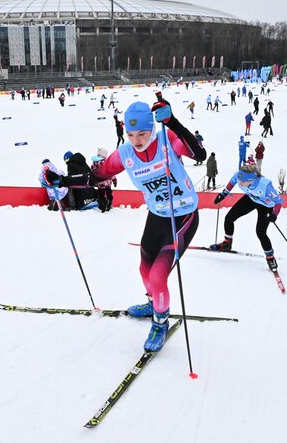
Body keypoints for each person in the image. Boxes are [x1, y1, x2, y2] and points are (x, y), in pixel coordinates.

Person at [45, 97, 205, 352]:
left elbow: (199, 153)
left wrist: (172, 122)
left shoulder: (167, 139)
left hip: (182, 214)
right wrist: (61, 180)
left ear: (152, 129)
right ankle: (154, 304)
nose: (137, 140)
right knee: (144, 269)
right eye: (131, 134)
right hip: (157, 215)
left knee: (158, 274)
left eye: (142, 133)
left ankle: (160, 322)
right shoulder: (126, 154)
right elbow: (94, 177)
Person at [209, 164, 283, 273]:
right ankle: (227, 243)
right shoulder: (240, 176)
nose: (240, 183)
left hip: (265, 206)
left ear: (252, 180)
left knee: (260, 232)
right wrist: (223, 194)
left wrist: (274, 214)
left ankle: (270, 257)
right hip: (250, 199)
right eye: (240, 180)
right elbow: (232, 182)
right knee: (229, 218)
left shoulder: (265, 186)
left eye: (243, 182)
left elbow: (278, 201)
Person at [91, 148, 116, 212]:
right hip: (107, 182)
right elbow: (111, 172)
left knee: (101, 194)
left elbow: (92, 172)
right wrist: (114, 180)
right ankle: (109, 203)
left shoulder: (94, 163)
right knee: (109, 193)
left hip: (99, 182)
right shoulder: (106, 162)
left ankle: (103, 205)